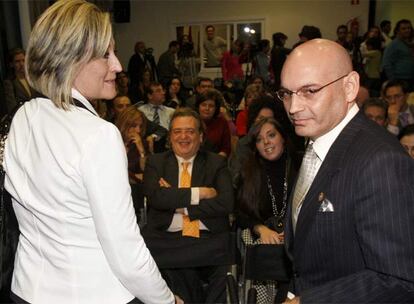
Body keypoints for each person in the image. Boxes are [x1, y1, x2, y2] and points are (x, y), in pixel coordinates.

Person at [3, 1, 179, 303]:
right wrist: (165, 299)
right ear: (70, 59)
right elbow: (126, 253)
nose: (118, 66)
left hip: (26, 290)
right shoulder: (99, 135)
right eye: (105, 54)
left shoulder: (23, 116)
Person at [278, 39, 414, 303]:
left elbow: (400, 279)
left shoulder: (381, 160)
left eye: (309, 91)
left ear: (349, 86)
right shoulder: (317, 137)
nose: (293, 107)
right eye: (286, 93)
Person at [142, 108, 234, 303]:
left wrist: (178, 203)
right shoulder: (156, 162)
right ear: (170, 136)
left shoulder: (216, 163)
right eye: (177, 131)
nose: (183, 137)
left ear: (200, 136)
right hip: (165, 239)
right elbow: (156, 198)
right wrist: (201, 192)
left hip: (208, 239)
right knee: (174, 269)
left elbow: (226, 202)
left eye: (190, 131)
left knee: (217, 269)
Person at [236, 117, 297, 303]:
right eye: (260, 139)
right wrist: (260, 229)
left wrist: (292, 233)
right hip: (262, 234)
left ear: (283, 138)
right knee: (254, 243)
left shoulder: (301, 164)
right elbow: (240, 213)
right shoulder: (249, 171)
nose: (267, 142)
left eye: (271, 135)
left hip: (297, 234)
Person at [195, 88, 231, 157]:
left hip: (216, 160)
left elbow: (226, 149)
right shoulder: (191, 120)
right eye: (203, 105)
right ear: (198, 107)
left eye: (211, 106)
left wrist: (215, 162)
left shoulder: (222, 122)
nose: (207, 108)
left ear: (216, 109)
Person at [3, 48, 39, 114]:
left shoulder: (32, 78)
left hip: (36, 113)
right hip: (22, 116)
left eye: (23, 60)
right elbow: (12, 107)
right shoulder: (9, 82)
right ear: (11, 64)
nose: (21, 64)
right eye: (17, 61)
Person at [382, 19, 414, 88]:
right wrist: (393, 81)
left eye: (409, 28)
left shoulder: (410, 44)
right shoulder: (393, 44)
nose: (407, 30)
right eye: (403, 28)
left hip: (410, 78)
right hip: (399, 79)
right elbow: (386, 63)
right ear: (397, 31)